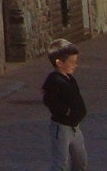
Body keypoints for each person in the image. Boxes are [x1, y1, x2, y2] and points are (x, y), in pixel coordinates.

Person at [42, 37, 88, 171]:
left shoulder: (70, 78)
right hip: (61, 128)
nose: (75, 65)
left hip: (75, 126)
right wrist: (66, 111)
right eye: (72, 62)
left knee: (81, 160)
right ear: (59, 63)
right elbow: (49, 100)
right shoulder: (54, 80)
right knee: (61, 162)